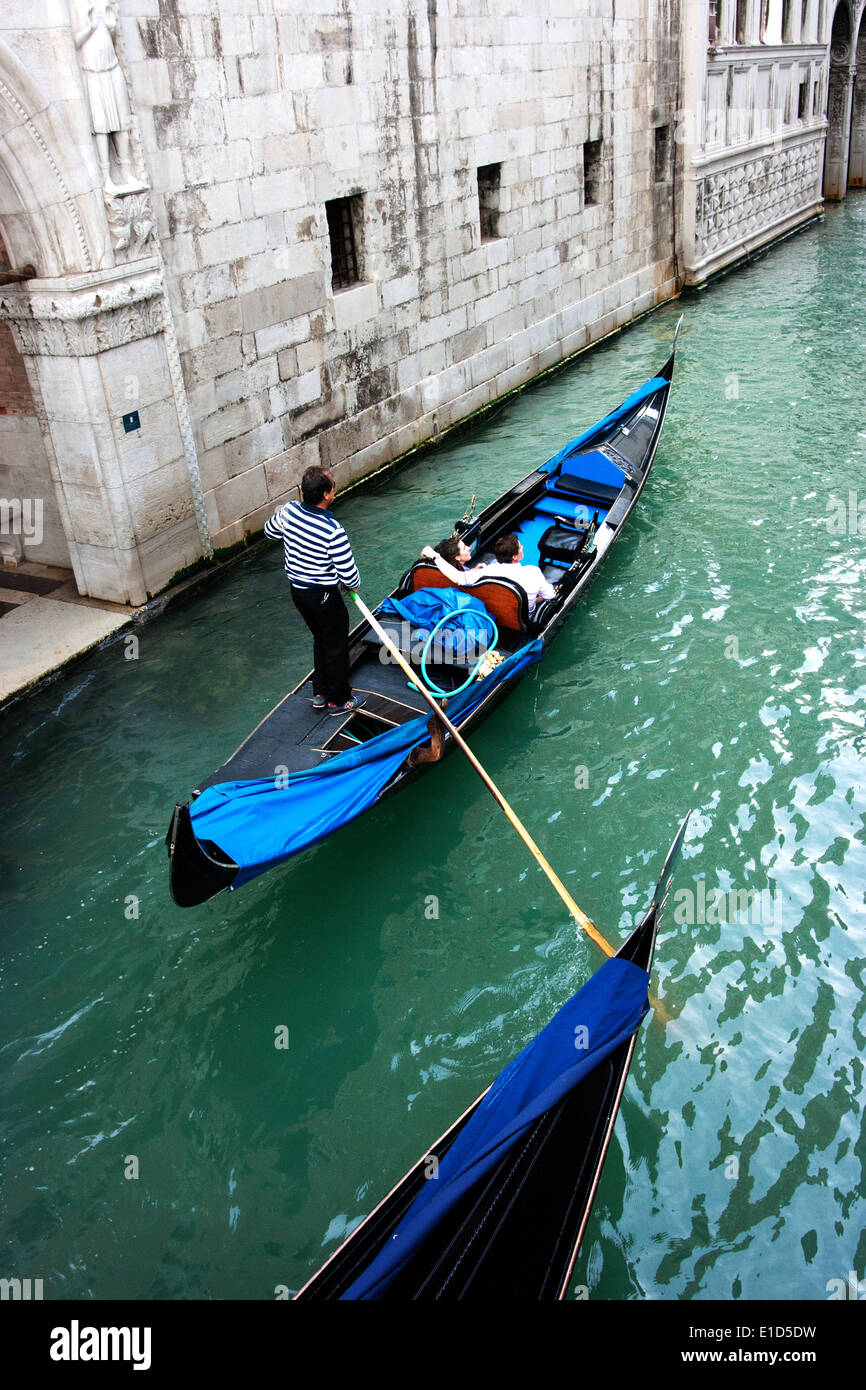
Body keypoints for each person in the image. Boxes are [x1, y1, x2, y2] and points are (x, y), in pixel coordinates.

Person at [264, 466, 365, 715]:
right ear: (326, 495)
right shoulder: (333, 530)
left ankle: (319, 693)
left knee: (320, 639)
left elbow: (269, 531)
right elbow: (350, 574)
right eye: (332, 486)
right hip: (323, 595)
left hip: (299, 593)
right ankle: (339, 700)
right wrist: (351, 585)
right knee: (336, 644)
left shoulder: (289, 511)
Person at [422, 533, 556, 616]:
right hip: (523, 619)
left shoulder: (488, 570)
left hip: (497, 614)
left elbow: (459, 578)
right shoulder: (533, 571)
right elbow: (550, 595)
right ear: (515, 557)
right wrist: (532, 600)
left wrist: (436, 557)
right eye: (521, 547)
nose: (523, 548)